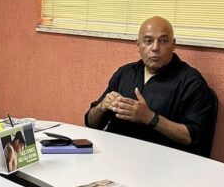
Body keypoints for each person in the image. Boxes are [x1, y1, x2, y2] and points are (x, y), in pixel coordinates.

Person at [85, 16, 215, 155]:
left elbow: (196, 138)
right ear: (138, 45)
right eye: (148, 41)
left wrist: (151, 118)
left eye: (163, 41)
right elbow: (91, 123)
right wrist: (101, 107)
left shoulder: (191, 82)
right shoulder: (124, 73)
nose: (155, 48)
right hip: (115, 156)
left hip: (163, 164)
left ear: (173, 44)